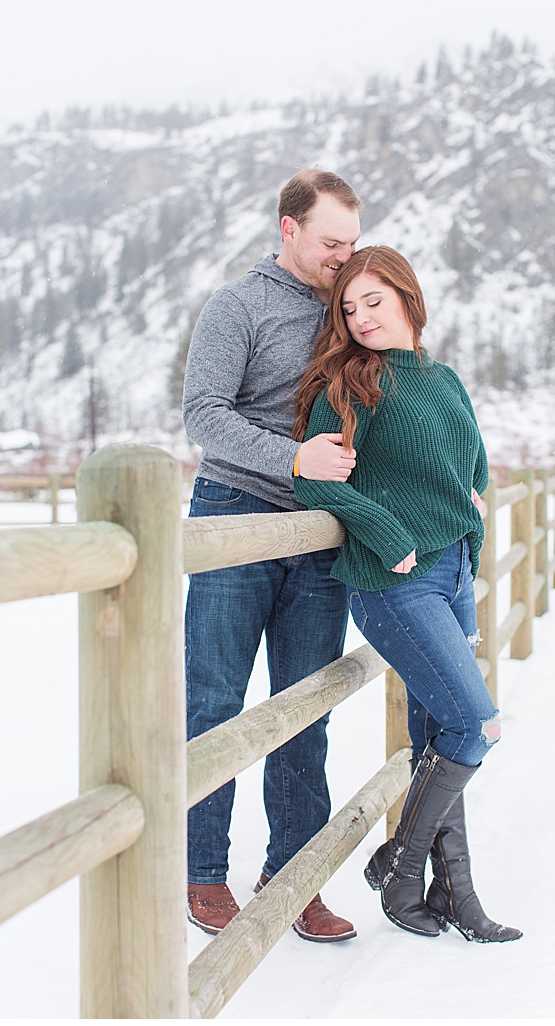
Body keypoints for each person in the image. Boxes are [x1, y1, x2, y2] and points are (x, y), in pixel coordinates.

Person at [291, 245, 521, 943]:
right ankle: (398, 864)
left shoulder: (443, 379)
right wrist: (388, 535)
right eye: (350, 308)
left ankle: (454, 896)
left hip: (450, 576)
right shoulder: (345, 384)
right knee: (476, 725)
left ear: (408, 300)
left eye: (375, 302)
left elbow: (471, 473)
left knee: (436, 735)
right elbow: (316, 479)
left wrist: (471, 545)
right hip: (396, 581)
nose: (361, 318)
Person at [181, 169, 363, 942]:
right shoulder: (237, 306)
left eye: (351, 243)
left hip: (321, 529)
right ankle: (202, 872)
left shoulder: (354, 307)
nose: (342, 257)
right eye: (330, 243)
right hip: (234, 517)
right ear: (287, 228)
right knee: (217, 702)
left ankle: (295, 875)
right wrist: (293, 459)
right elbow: (204, 416)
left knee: (305, 709)